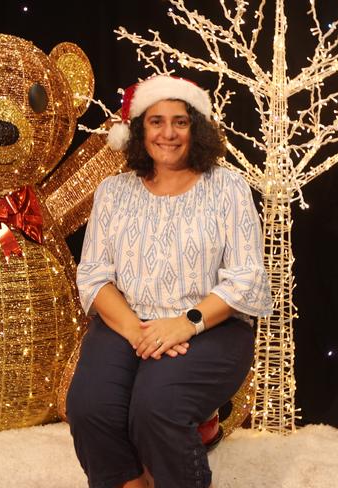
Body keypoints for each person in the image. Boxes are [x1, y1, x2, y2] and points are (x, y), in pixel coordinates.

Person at [66, 75, 273, 488]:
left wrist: (185, 322)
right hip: (128, 321)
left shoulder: (228, 187)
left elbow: (247, 277)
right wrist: (137, 331)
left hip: (211, 326)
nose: (168, 133)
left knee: (156, 406)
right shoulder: (113, 191)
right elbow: (92, 275)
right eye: (156, 121)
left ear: (197, 127)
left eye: (180, 121)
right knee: (90, 407)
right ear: (139, 129)